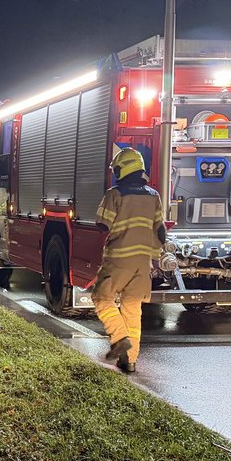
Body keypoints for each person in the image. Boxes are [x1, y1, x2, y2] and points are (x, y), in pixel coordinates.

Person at [92, 148, 165, 373]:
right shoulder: (154, 196)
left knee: (102, 298)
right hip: (143, 263)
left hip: (118, 258)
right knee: (132, 309)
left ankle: (120, 337)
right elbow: (160, 231)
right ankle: (130, 361)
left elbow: (103, 224)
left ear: (123, 169)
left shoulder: (115, 194)